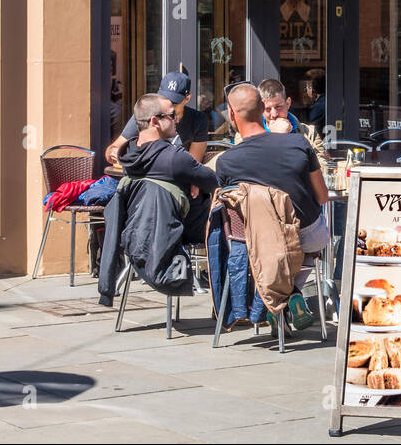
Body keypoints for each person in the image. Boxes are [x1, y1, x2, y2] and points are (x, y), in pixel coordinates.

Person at [215, 84, 331, 328]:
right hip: (305, 234)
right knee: (308, 243)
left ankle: (277, 299)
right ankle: (291, 293)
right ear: (262, 109)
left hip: (255, 241)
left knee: (274, 248)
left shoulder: (226, 162)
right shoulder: (299, 144)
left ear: (232, 115)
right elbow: (322, 197)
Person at [117, 92, 219, 243]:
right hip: (177, 233)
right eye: (171, 115)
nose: (176, 120)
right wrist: (195, 179)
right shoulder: (175, 158)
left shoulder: (127, 155)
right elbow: (213, 181)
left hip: (136, 233)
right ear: (154, 121)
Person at [106, 70, 208, 165]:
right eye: (165, 99)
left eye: (174, 103)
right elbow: (111, 151)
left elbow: (193, 164)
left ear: (187, 98)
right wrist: (113, 152)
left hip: (176, 174)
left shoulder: (198, 120)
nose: (169, 106)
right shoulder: (146, 113)